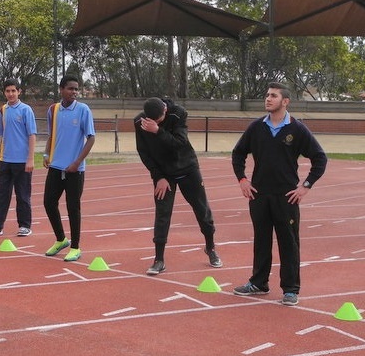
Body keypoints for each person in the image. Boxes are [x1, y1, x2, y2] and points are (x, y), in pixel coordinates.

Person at [231, 82, 327, 306]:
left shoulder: (297, 129)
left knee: (288, 243)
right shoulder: (256, 127)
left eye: (273, 95)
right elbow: (238, 154)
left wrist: (305, 186)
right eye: (267, 95)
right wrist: (243, 180)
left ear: (285, 102)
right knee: (261, 240)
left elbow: (320, 159)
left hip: (286, 196)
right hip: (259, 195)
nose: (268, 99)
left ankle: (291, 289)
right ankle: (258, 283)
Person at [135, 97, 223, 275]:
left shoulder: (178, 113)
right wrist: (158, 176)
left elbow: (179, 143)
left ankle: (210, 248)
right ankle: (159, 259)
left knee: (202, 209)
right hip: (163, 174)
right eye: (153, 120)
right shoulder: (140, 122)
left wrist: (158, 130)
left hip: (187, 168)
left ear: (165, 111)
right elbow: (143, 151)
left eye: (159, 119)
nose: (156, 122)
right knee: (162, 213)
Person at [42, 75, 95, 262]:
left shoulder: (83, 110)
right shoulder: (53, 110)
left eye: (76, 89)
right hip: (56, 167)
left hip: (75, 169)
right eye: (70, 88)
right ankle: (61, 239)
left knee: (73, 207)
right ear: (61, 89)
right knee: (48, 202)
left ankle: (75, 246)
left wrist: (77, 162)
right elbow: (51, 135)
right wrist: (46, 154)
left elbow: (91, 138)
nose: (74, 92)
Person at [0, 78, 37, 237]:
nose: (11, 94)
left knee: (23, 195)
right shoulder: (3, 110)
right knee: (1, 195)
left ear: (19, 92)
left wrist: (30, 159)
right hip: (5, 160)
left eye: (13, 90)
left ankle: (25, 225)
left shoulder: (26, 110)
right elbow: (3, 135)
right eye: (8, 91)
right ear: (4, 93)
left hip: (22, 161)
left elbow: (32, 135)